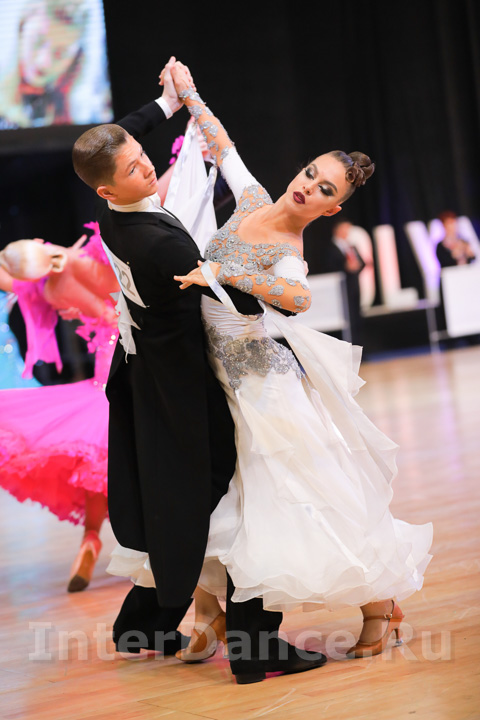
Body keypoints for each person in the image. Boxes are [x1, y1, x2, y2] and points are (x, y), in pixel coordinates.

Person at [149, 67, 432, 669]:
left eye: (325, 190)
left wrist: (225, 272)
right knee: (216, 495)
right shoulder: (252, 199)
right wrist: (189, 93)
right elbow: (222, 145)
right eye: (310, 174)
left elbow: (297, 300)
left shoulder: (290, 250)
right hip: (215, 377)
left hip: (264, 388)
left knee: (307, 495)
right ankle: (210, 610)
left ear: (332, 209)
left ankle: (380, 605)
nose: (309, 189)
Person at [72, 57, 326, 683]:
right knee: (237, 501)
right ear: (107, 191)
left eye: (143, 155)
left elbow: (121, 139)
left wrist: (170, 102)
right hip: (186, 384)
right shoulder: (164, 243)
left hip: (148, 372)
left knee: (178, 503)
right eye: (134, 168)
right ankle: (253, 648)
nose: (148, 167)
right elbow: (236, 303)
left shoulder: (116, 210)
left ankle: (145, 625)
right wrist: (270, 275)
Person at [0, 226, 119, 591]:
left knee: (97, 458)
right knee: (120, 453)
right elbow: (114, 316)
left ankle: (91, 538)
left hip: (104, 367)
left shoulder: (49, 288)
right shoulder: (83, 259)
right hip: (125, 356)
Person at [0, 0, 112, 129]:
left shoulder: (94, 114)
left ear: (76, 57)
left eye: (60, 53)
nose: (44, 63)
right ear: (21, 29)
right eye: (38, 41)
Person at [319, 219, 367, 345]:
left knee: (356, 316)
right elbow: (329, 267)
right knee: (347, 318)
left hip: (354, 287)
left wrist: (356, 266)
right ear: (338, 230)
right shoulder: (331, 248)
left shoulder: (351, 246)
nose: (348, 232)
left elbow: (362, 263)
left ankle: (359, 345)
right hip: (341, 289)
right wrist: (345, 268)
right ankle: (349, 345)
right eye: (345, 229)